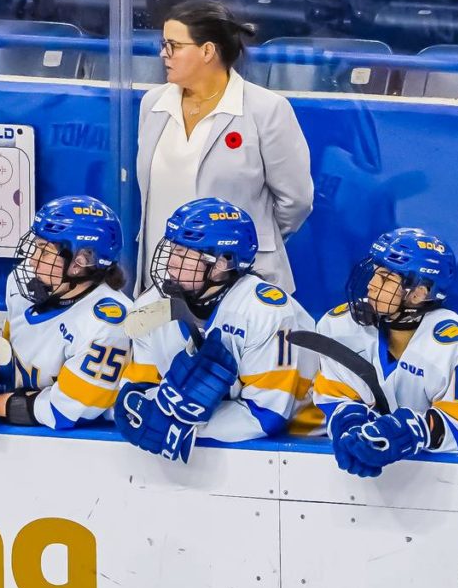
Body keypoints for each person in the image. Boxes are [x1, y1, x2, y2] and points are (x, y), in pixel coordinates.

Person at [112, 197, 315, 465]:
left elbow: (267, 415)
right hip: (204, 453)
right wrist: (158, 411)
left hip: (300, 447)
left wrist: (179, 423)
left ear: (223, 263)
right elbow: (140, 388)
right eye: (172, 249)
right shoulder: (150, 306)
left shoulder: (265, 312)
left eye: (184, 254)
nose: (171, 262)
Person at [136, 0, 315, 292]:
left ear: (207, 51)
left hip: (238, 281)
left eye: (173, 45)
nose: (163, 54)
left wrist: (245, 243)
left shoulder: (266, 110)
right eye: (162, 44)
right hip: (162, 280)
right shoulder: (153, 104)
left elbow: (296, 201)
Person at [0, 195, 134, 434]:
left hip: (79, 457)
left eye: (44, 251)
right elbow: (11, 360)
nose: (31, 261)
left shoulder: (107, 324)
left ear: (82, 261)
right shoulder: (22, 288)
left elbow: (64, 410)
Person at [310, 227, 458, 478]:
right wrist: (350, 423)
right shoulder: (340, 325)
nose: (372, 286)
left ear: (419, 292)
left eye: (385, 279)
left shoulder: (457, 342)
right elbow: (333, 398)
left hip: (438, 484)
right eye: (375, 273)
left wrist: (412, 431)